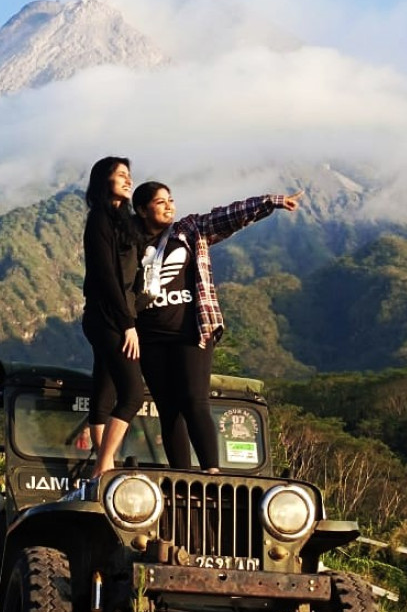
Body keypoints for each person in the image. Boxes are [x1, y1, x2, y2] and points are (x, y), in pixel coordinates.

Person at [131, 182, 303, 472]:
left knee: (194, 400)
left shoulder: (188, 231)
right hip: (149, 336)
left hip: (191, 333)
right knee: (169, 410)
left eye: (171, 200)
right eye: (160, 202)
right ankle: (181, 476)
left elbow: (228, 216)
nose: (169, 206)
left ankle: (211, 471)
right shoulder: (129, 242)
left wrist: (272, 201)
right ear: (141, 209)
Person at [82, 157, 145, 477]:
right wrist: (127, 324)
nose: (127, 179)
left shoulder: (125, 221)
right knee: (133, 393)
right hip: (108, 317)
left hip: (113, 316)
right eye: (120, 174)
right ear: (103, 180)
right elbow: (107, 276)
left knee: (104, 388)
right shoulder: (99, 221)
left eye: (129, 175)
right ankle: (105, 464)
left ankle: (102, 461)